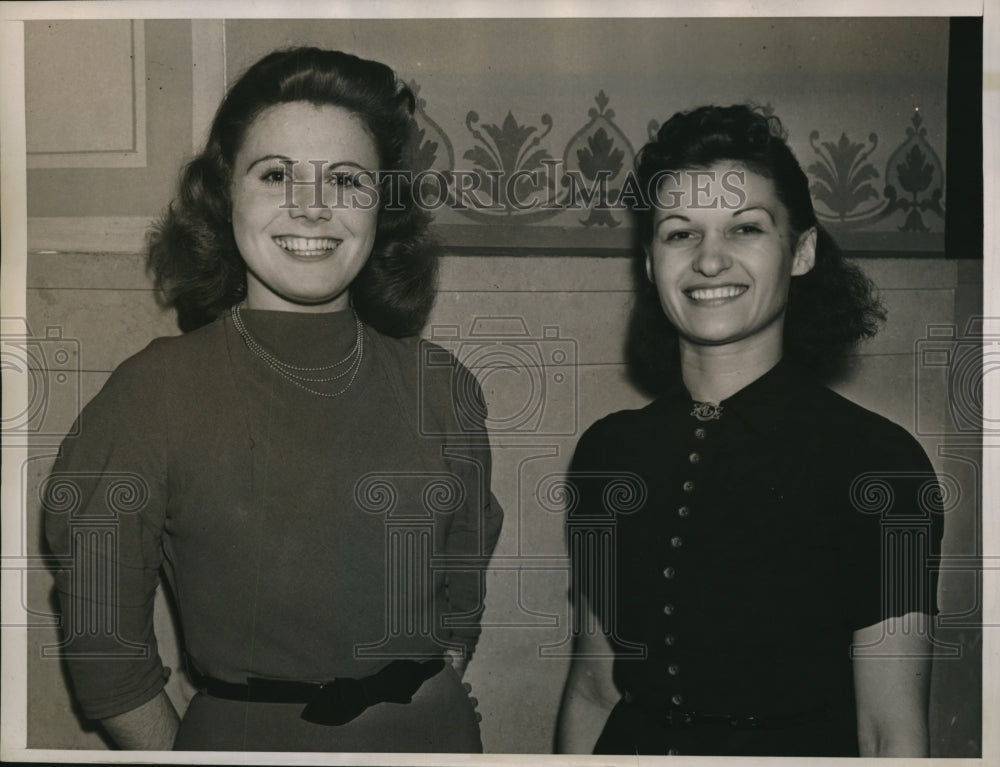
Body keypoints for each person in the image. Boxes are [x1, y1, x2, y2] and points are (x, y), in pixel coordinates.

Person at [43, 47, 502, 752]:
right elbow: (105, 656)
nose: (312, 205)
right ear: (226, 194)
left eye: (346, 179)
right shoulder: (151, 395)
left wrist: (425, 699)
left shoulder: (442, 386)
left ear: (384, 203)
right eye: (276, 174)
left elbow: (460, 587)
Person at [555, 104, 943, 757]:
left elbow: (889, 731)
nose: (710, 260)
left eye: (745, 229)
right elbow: (594, 688)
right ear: (651, 265)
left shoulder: (884, 465)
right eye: (680, 233)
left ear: (802, 250)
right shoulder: (608, 452)